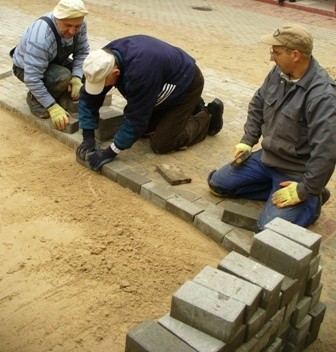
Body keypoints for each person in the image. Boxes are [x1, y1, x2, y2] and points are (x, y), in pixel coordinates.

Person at [208, 23, 336, 231]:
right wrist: (247, 141)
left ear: (295, 55)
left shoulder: (322, 96)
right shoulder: (279, 72)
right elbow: (258, 103)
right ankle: (277, 192)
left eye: (276, 52)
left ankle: (312, 202)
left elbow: (326, 152)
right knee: (218, 183)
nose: (271, 58)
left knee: (268, 229)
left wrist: (304, 190)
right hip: (267, 159)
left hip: (296, 171)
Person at [75, 35, 224, 170]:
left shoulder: (140, 73)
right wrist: (88, 137)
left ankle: (208, 116)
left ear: (116, 73)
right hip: (164, 79)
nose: (101, 88)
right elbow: (89, 98)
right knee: (144, 130)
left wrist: (110, 152)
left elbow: (136, 118)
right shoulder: (102, 60)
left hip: (187, 82)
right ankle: (190, 107)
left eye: (103, 84)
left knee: (162, 143)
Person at [10, 0, 90, 130]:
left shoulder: (80, 24)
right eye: (67, 25)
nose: (72, 31)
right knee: (63, 77)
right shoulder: (41, 37)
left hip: (54, 60)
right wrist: (52, 106)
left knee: (89, 72)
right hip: (25, 69)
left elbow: (82, 52)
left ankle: (60, 93)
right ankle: (34, 99)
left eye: (77, 26)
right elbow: (32, 78)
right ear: (57, 19)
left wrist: (76, 77)